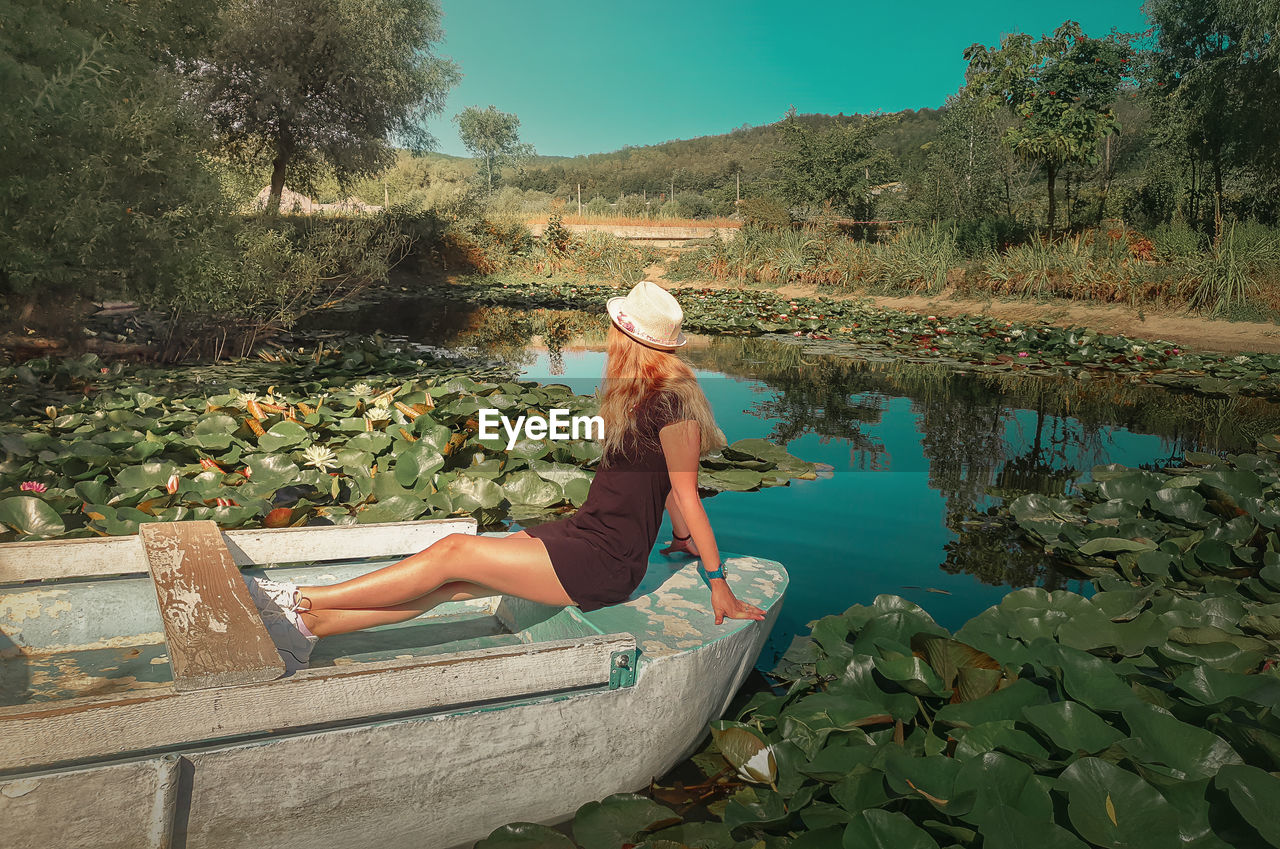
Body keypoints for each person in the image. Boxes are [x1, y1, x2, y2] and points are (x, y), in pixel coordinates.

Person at [246, 280, 765, 672]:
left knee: (453, 552)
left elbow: (686, 492)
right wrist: (679, 538)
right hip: (586, 533)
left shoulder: (674, 407)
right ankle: (310, 628)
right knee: (449, 586)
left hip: (605, 562)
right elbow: (667, 491)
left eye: (614, 330)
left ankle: (301, 600)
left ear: (629, 338)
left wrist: (718, 583)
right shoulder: (637, 394)